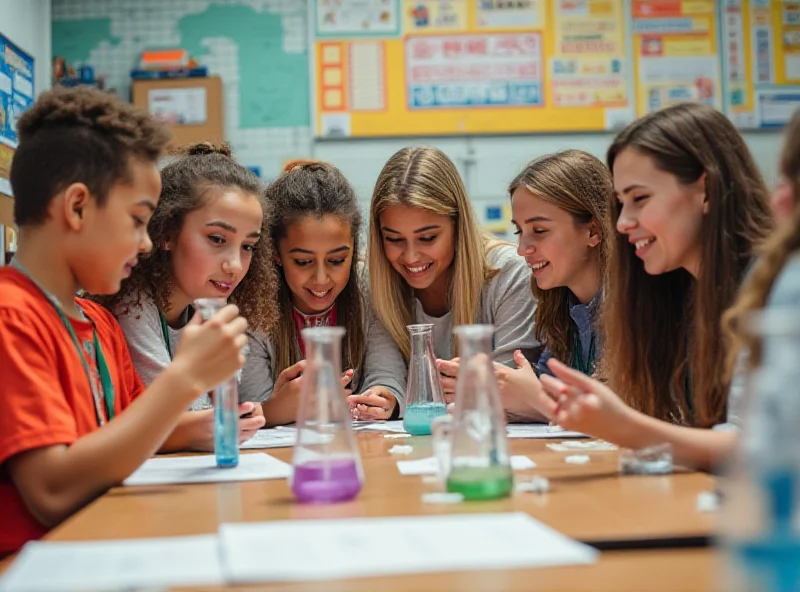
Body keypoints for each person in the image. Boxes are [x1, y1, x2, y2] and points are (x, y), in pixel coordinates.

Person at [0, 86, 248, 555]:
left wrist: (206, 423)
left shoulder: (97, 322)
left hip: (99, 546)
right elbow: (52, 492)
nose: (146, 244)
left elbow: (134, 431)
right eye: (137, 220)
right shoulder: (11, 317)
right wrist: (186, 377)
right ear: (76, 207)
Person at [538, 103, 773, 471]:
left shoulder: (776, 289)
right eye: (620, 204)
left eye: (640, 199)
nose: (623, 223)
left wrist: (624, 426)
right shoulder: (675, 293)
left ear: (706, 189)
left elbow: (756, 446)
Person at [96, 142, 277, 449]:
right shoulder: (134, 304)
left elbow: (220, 411)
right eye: (217, 239)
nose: (234, 265)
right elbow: (173, 417)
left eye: (248, 246)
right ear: (166, 233)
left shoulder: (211, 304)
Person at [367, 146, 537, 408]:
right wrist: (383, 398)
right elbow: (386, 376)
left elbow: (512, 386)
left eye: (428, 238)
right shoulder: (376, 282)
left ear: (459, 226)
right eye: (394, 239)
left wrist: (479, 390)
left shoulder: (510, 274)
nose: (411, 257)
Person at [257, 160, 405, 425]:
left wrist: (384, 398)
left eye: (337, 261)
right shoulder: (255, 304)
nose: (322, 279)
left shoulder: (367, 287)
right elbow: (249, 408)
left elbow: (387, 375)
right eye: (303, 262)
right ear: (276, 253)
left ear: (353, 249)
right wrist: (279, 407)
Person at [495, 150, 612, 421]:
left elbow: (632, 409)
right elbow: (547, 396)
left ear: (593, 231)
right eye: (519, 232)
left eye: (539, 231)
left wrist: (533, 398)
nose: (522, 249)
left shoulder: (643, 307)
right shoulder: (561, 307)